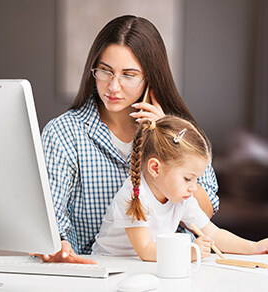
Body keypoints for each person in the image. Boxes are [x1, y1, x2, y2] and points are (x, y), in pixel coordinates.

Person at [39, 15, 219, 263]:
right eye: (105, 71)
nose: (113, 86)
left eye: (129, 75)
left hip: (168, 271)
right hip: (92, 271)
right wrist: (57, 245)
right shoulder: (63, 133)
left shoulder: (178, 132)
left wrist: (167, 139)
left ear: (151, 79)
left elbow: (205, 214)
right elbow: (51, 219)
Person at [92, 117, 268, 260]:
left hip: (147, 269)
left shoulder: (181, 197)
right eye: (188, 178)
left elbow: (213, 233)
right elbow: (146, 250)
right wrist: (190, 252)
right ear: (155, 168)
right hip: (111, 268)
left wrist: (254, 248)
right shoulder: (134, 196)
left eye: (196, 179)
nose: (194, 187)